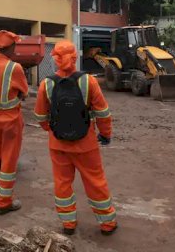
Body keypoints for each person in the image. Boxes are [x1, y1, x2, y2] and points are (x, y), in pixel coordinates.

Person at [34, 41, 118, 236]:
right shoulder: (89, 81)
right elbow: (103, 113)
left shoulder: (46, 84)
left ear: (54, 59)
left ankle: (68, 224)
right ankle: (107, 224)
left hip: (58, 145)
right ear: (75, 57)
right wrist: (105, 135)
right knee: (95, 182)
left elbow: (40, 116)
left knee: (62, 183)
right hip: (86, 144)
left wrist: (54, 131)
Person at [0, 30, 29, 215]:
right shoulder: (14, 68)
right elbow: (24, 92)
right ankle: (4, 202)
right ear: (10, 47)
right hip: (10, 121)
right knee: (8, 161)